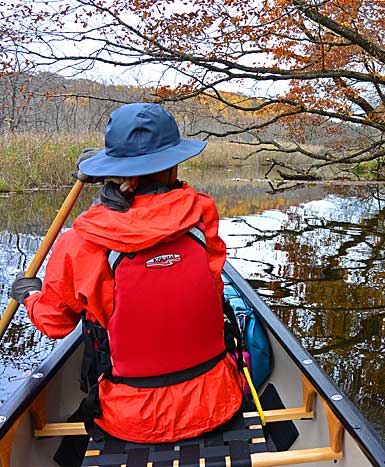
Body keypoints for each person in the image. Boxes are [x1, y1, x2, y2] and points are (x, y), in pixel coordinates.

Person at [10, 102, 243, 444]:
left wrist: (29, 295)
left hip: (130, 420)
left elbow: (55, 323)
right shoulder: (201, 217)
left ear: (116, 171)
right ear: (173, 164)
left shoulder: (81, 242)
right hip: (216, 403)